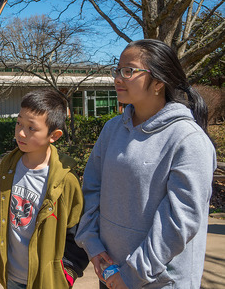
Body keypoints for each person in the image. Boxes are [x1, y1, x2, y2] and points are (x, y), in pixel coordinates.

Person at [75, 39, 217, 289]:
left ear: (158, 82)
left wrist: (131, 274)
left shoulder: (188, 139)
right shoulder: (112, 129)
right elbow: (92, 189)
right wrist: (93, 246)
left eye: (128, 71)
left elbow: (180, 221)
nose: (118, 78)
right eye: (117, 70)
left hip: (160, 282)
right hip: (110, 272)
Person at [0, 89, 89, 288]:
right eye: (18, 123)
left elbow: (77, 233)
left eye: (31, 128)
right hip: (10, 274)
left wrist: (67, 273)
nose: (20, 132)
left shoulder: (66, 179)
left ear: (54, 135)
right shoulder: (8, 164)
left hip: (46, 280)